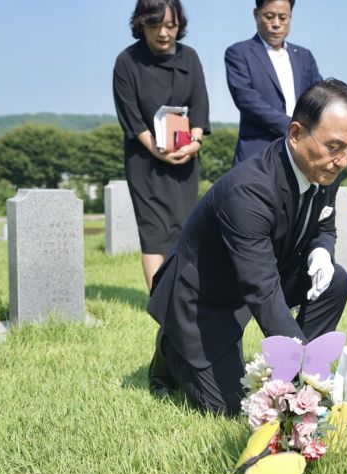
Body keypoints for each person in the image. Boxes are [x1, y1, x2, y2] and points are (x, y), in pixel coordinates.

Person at [146, 79, 347, 415]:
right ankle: (170, 347)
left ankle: (294, 375)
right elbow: (261, 290)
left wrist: (322, 251)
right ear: (296, 134)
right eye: (335, 147)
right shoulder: (249, 191)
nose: (343, 161)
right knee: (230, 407)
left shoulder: (324, 170)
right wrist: (305, 364)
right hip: (205, 293)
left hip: (263, 270)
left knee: (334, 280)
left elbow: (323, 225)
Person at [113, 0, 209, 291]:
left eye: (171, 25)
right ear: (141, 23)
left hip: (184, 158)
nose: (164, 33)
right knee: (154, 233)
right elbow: (131, 118)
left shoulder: (190, 58)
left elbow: (200, 106)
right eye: (156, 25)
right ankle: (159, 303)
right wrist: (157, 150)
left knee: (184, 230)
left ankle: (180, 296)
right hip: (146, 161)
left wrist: (194, 143)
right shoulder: (127, 62)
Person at [225, 0, 323, 165]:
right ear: (256, 15)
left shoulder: (304, 56)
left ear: (290, 17)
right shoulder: (239, 53)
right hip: (257, 150)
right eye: (269, 16)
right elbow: (246, 100)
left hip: (301, 149)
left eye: (283, 17)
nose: (276, 24)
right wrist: (292, 127)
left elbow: (320, 96)